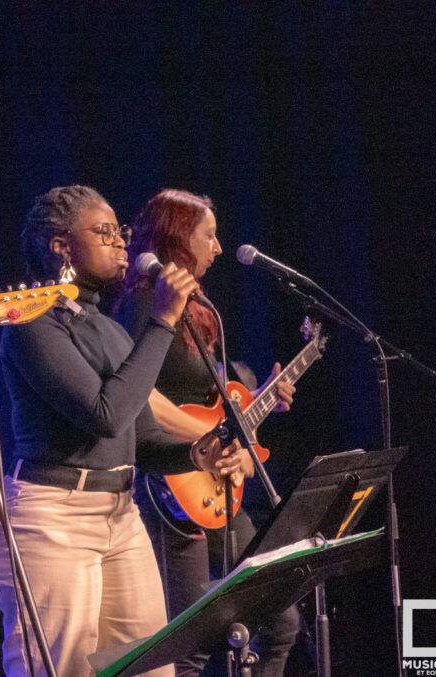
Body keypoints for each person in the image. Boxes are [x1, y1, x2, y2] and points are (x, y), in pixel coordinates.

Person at [0, 185, 243, 677]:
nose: (122, 243)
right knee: (58, 669)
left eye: (120, 232)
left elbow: (139, 438)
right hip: (53, 518)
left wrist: (195, 454)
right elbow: (104, 415)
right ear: (61, 246)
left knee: (148, 667)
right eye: (104, 233)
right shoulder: (31, 322)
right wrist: (163, 320)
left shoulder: (109, 328)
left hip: (120, 514)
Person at [112, 188, 301, 677]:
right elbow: (139, 396)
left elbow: (220, 403)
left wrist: (245, 428)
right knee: (189, 649)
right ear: (178, 239)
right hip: (169, 489)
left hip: (217, 485)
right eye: (209, 236)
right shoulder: (139, 305)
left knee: (281, 622)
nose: (218, 248)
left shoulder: (203, 310)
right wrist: (210, 436)